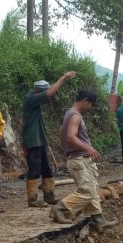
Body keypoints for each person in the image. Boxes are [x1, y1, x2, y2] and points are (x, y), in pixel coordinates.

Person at [50, 90, 118, 232]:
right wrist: (88, 148)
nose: (90, 108)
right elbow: (70, 137)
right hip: (79, 159)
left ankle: (98, 220)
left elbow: (63, 135)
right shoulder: (75, 115)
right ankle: (59, 208)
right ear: (85, 100)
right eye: (91, 105)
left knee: (92, 190)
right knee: (87, 191)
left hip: (78, 158)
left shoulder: (70, 114)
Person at [21, 72, 77, 207]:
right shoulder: (31, 99)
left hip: (39, 140)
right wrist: (63, 77)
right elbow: (51, 92)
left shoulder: (34, 102)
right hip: (33, 142)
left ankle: (49, 196)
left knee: (47, 169)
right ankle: (33, 199)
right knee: (34, 169)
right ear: (40, 91)